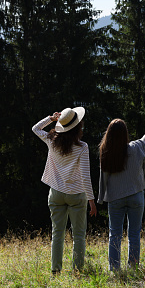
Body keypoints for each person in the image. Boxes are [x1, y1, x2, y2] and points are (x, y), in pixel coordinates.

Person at [32, 107, 97, 274]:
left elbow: (35, 128)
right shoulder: (82, 147)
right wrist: (92, 201)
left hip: (56, 193)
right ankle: (77, 271)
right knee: (79, 235)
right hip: (76, 195)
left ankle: (56, 270)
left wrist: (51, 119)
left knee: (57, 234)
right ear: (78, 127)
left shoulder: (51, 140)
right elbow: (85, 177)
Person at [97, 119, 145, 271]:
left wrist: (101, 197)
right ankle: (133, 268)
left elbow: (103, 177)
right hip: (136, 197)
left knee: (115, 235)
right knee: (134, 234)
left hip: (115, 198)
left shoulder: (106, 152)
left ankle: (114, 270)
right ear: (125, 133)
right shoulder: (136, 147)